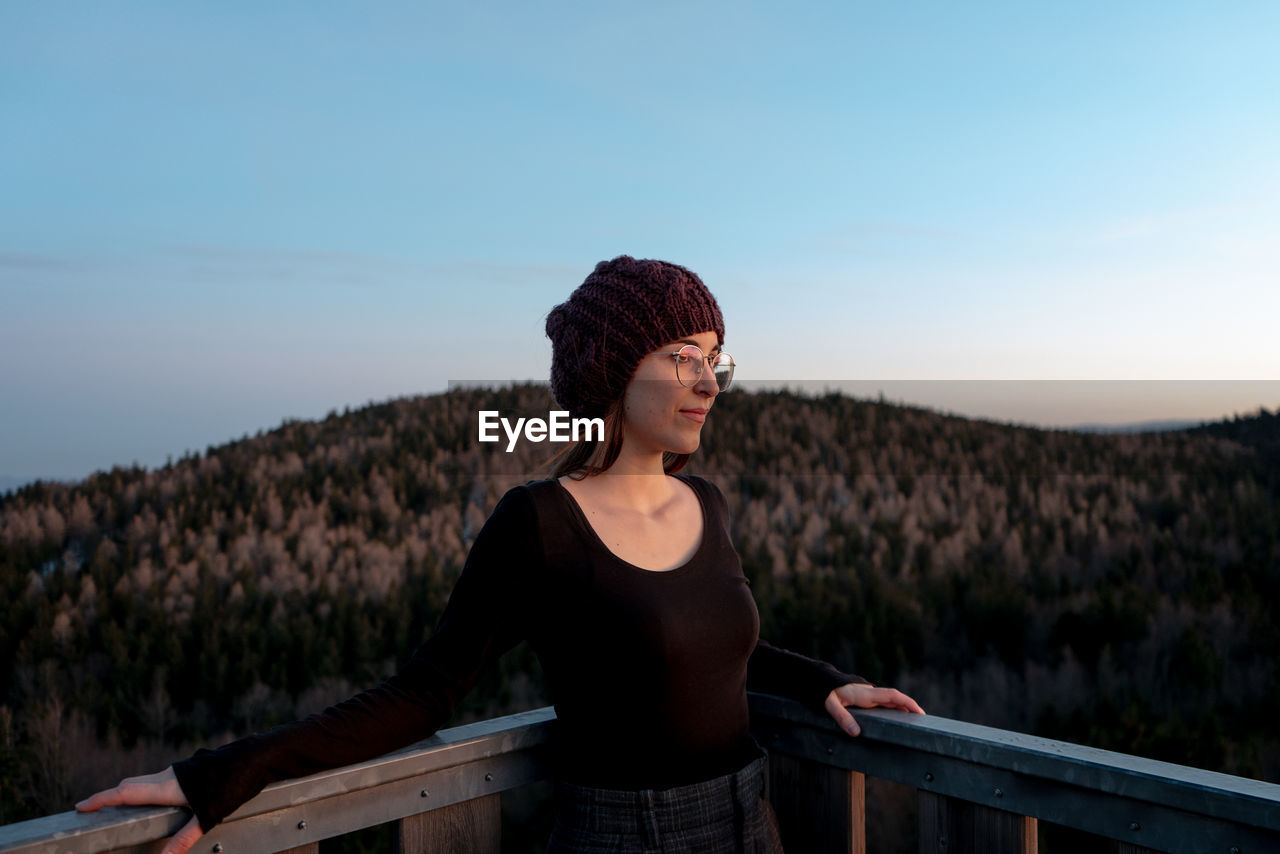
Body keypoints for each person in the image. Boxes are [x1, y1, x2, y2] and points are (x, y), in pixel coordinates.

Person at [77, 256, 925, 853]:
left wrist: (821, 681)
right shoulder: (540, 523)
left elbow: (720, 642)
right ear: (610, 372)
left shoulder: (706, 501)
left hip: (752, 822)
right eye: (680, 357)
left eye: (715, 361)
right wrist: (227, 770)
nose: (707, 382)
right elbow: (423, 694)